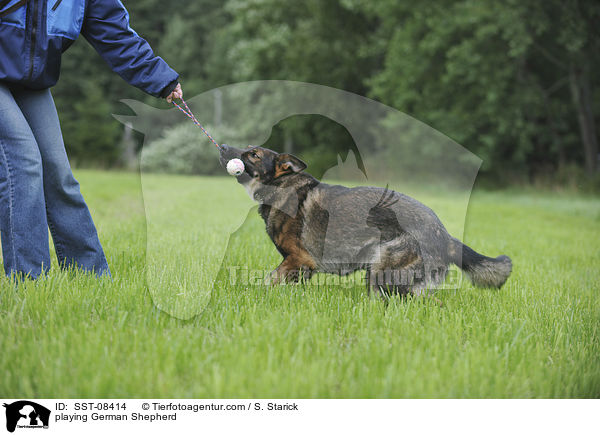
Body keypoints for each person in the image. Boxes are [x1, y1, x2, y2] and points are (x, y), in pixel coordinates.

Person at [0, 0, 182, 279]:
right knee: (23, 163)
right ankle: (30, 282)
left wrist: (161, 79)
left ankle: (91, 278)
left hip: (27, 81)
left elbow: (115, 35)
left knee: (58, 174)